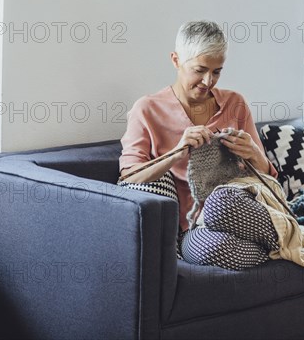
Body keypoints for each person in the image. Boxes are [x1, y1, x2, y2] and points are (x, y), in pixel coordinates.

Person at [119, 20, 278, 234]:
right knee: (217, 244)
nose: (207, 81)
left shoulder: (235, 104)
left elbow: (268, 178)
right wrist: (176, 153)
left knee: (240, 221)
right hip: (193, 228)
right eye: (199, 70)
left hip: (244, 212)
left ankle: (278, 237)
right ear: (176, 60)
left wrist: (255, 155)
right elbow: (129, 177)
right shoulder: (147, 110)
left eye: (216, 72)